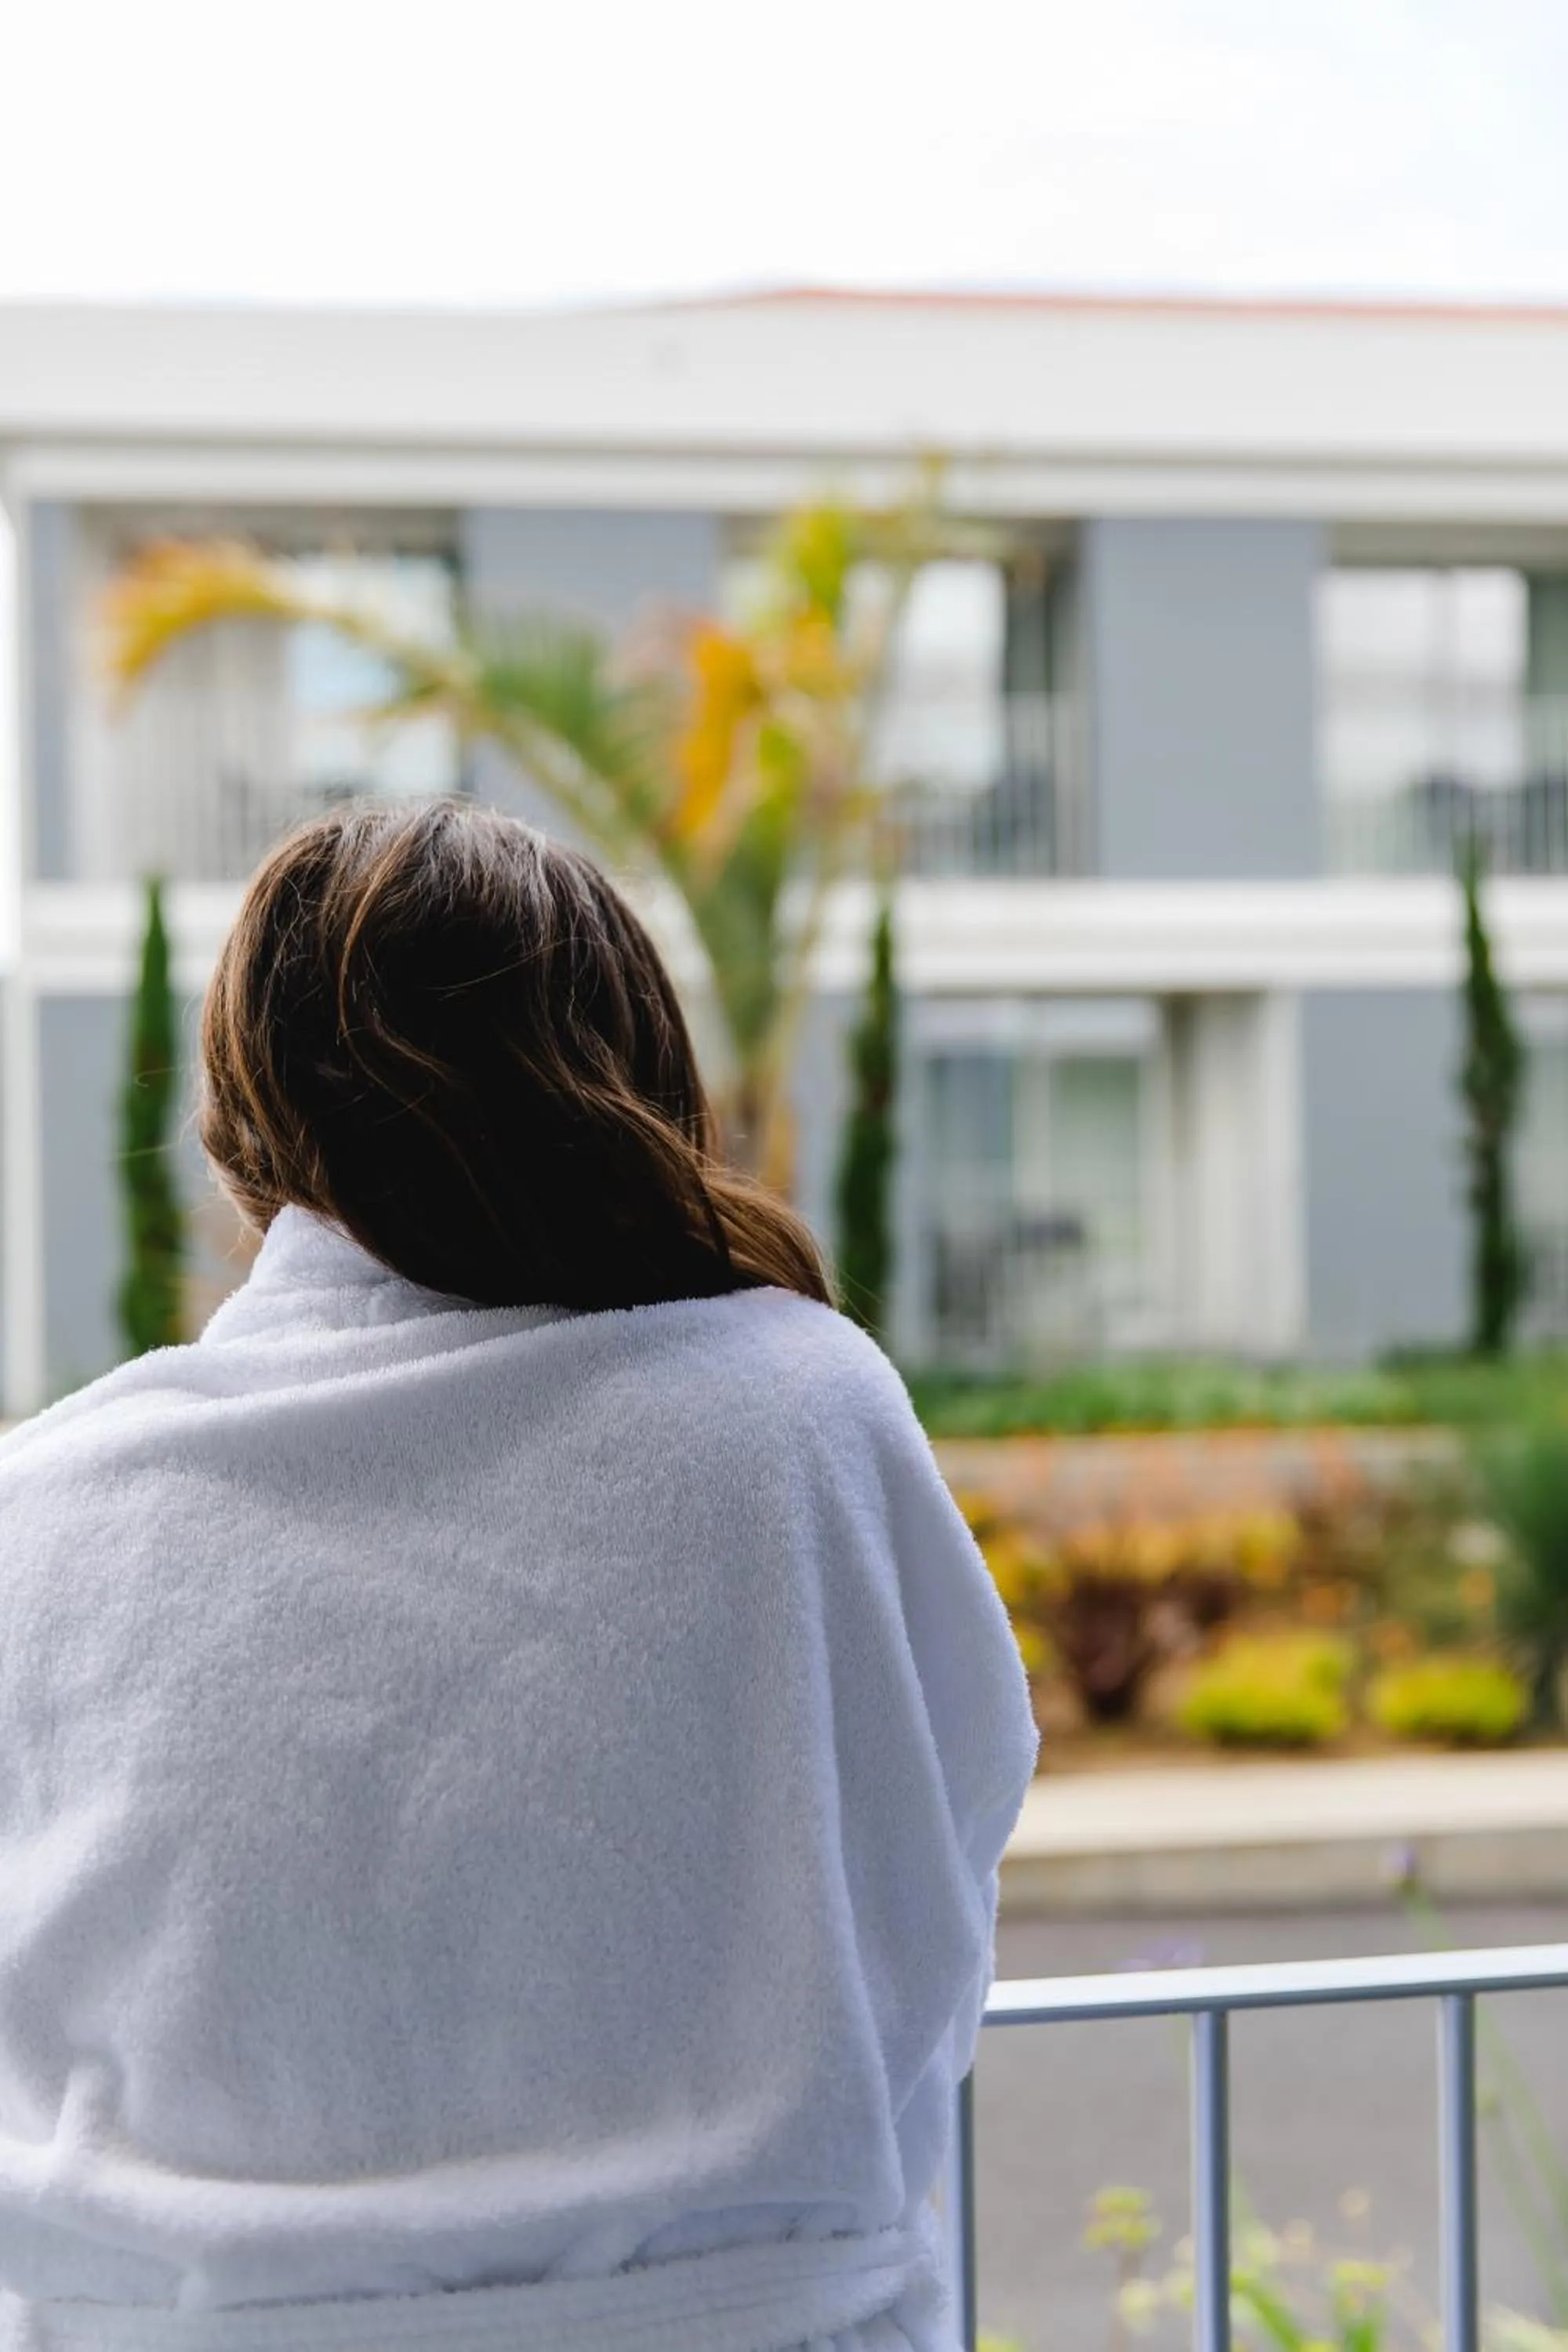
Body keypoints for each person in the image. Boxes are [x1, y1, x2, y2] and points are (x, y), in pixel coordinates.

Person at [0, 800, 1039, 2352]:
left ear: (247, 1113)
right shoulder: (796, 1414)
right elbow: (933, 1868)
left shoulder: (51, 1498)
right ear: (628, 1065)